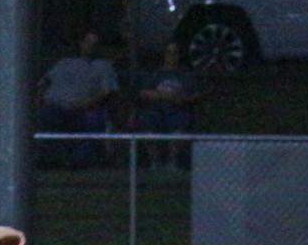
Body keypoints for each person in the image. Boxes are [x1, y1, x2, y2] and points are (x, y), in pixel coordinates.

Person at [37, 31, 118, 167]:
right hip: (55, 107)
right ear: (81, 44)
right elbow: (44, 82)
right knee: (46, 115)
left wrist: (87, 103)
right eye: (88, 42)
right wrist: (39, 99)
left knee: (93, 119)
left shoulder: (103, 66)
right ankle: (50, 161)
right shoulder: (64, 63)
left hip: (85, 108)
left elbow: (107, 91)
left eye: (94, 44)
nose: (90, 46)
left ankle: (79, 163)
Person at [133, 41, 202, 169]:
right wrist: (169, 96)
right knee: (146, 119)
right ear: (164, 55)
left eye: (175, 53)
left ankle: (172, 161)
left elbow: (194, 95)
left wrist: (179, 98)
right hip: (156, 109)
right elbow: (144, 93)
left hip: (178, 109)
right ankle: (156, 161)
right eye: (169, 52)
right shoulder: (155, 74)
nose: (172, 56)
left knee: (181, 121)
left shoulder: (185, 75)